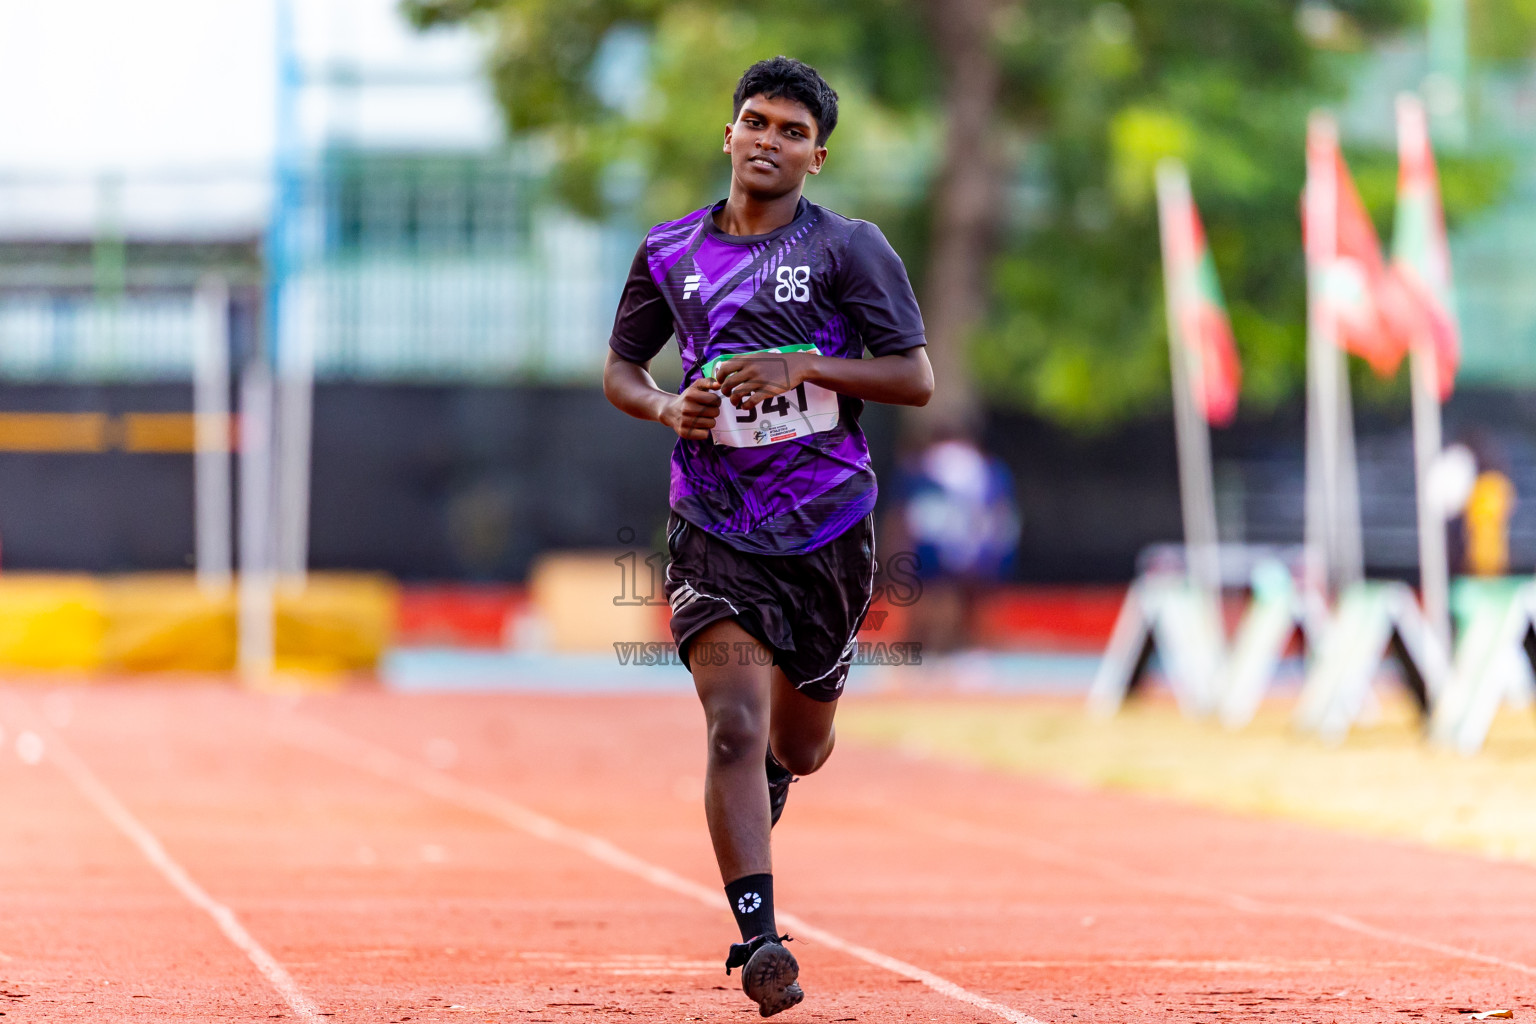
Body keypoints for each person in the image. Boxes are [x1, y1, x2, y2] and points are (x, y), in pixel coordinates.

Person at [603, 56, 934, 1017]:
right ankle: (761, 941)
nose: (769, 140)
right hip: (712, 523)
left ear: (816, 157)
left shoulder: (850, 250)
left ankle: (779, 776)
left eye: (793, 131)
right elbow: (623, 370)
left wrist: (802, 365)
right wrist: (670, 410)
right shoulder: (667, 250)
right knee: (732, 726)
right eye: (756, 121)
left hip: (828, 527)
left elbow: (912, 377)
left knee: (801, 742)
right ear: (729, 134)